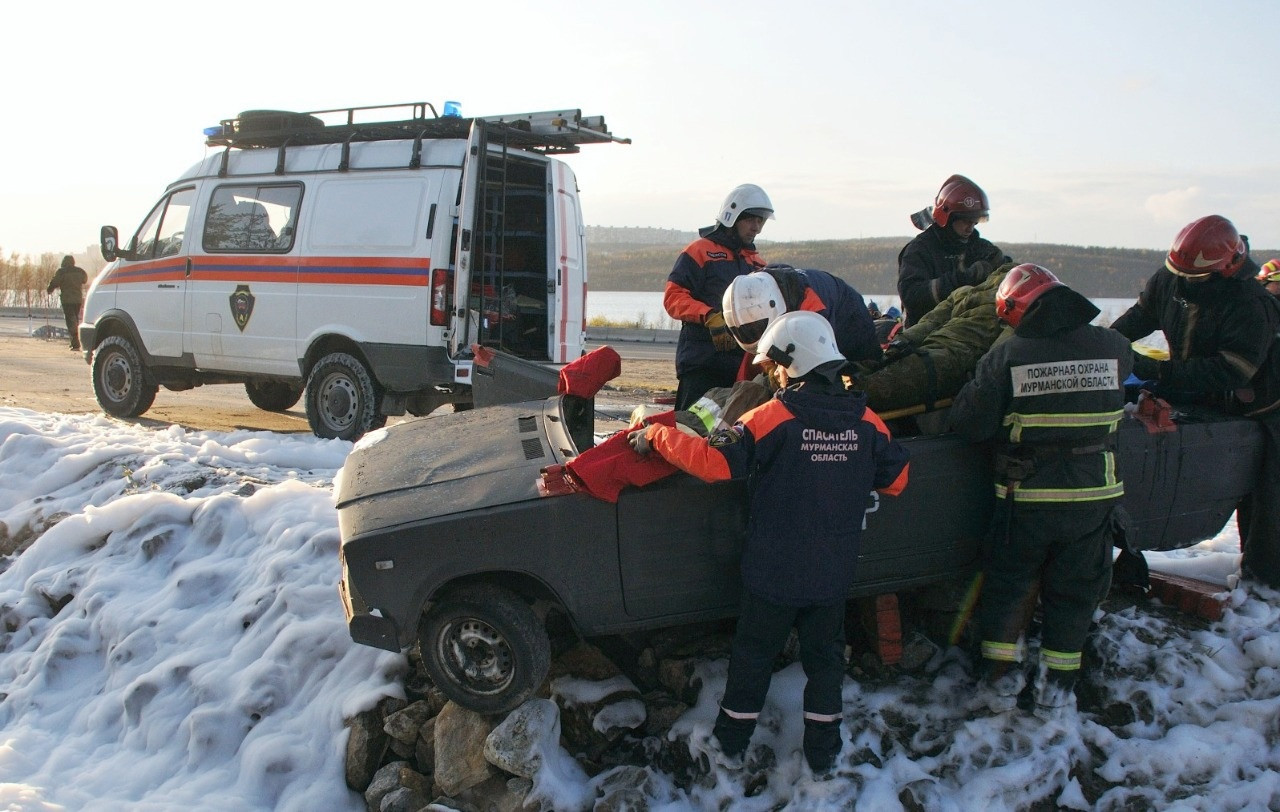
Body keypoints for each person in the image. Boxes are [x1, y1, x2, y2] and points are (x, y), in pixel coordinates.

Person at [628, 311, 910, 774]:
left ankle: (730, 747)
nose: (772, 374)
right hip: (832, 574)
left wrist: (658, 434)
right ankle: (823, 757)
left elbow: (715, 464)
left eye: (774, 366)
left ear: (791, 364)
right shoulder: (866, 421)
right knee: (825, 665)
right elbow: (897, 480)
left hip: (773, 572)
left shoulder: (772, 416)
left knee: (754, 658)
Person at [949, 264, 1132, 720]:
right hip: (1094, 497)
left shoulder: (1009, 356)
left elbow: (969, 425)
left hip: (1026, 499)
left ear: (1017, 308)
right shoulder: (1115, 347)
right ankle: (1056, 691)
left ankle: (1001, 685)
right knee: (1075, 592)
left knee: (1010, 588)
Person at [1111, 215, 1280, 590]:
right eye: (1180, 273)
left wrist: (1158, 370)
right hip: (1196, 392)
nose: (1187, 283)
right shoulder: (1170, 279)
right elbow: (1140, 316)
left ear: (1227, 268)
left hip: (1262, 407)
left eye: (1197, 277)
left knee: (1269, 503)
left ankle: (1265, 586)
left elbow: (1233, 370)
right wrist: (1105, 346)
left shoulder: (1252, 304)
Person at [851, 262, 1016, 416]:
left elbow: (930, 322)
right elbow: (999, 351)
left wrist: (899, 344)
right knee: (880, 387)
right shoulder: (1014, 307)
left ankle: (838, 387)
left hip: (931, 346)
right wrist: (979, 376)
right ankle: (847, 396)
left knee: (870, 370)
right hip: (951, 358)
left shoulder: (966, 292)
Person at [664, 184, 771, 409]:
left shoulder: (758, 265)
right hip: (701, 364)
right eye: (751, 219)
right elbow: (673, 297)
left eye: (761, 221)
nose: (757, 227)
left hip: (741, 369)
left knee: (730, 436)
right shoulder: (700, 251)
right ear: (732, 216)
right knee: (689, 429)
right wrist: (709, 316)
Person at [898, 175, 1010, 328]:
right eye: (965, 220)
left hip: (972, 329)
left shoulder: (981, 247)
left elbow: (1009, 278)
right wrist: (965, 277)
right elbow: (912, 297)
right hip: (928, 335)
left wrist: (1004, 266)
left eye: (975, 221)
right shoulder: (919, 250)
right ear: (948, 218)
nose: (970, 227)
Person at [722, 264, 882, 365]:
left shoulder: (811, 308)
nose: (753, 329)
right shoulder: (752, 292)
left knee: (856, 372)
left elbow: (817, 359)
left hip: (851, 321)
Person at [46, 255, 89, 350]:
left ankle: (75, 343)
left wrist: (49, 289)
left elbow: (54, 282)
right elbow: (85, 280)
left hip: (67, 300)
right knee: (75, 319)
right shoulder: (80, 271)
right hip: (78, 299)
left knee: (70, 321)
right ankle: (76, 341)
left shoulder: (62, 271)